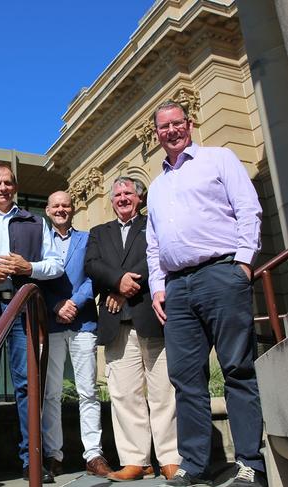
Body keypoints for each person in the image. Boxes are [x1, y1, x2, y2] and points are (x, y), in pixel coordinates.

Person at [147, 100, 265, 487]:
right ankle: (194, 463)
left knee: (238, 369)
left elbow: (248, 208)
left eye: (176, 123)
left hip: (221, 273)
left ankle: (249, 462)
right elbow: (153, 244)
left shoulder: (219, 158)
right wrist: (158, 286)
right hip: (177, 288)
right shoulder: (157, 186)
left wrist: (244, 263)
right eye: (163, 127)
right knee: (185, 378)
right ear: (157, 134)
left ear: (190, 123)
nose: (171, 131)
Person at [0, 163, 64, 485]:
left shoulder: (35, 222)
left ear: (14, 187)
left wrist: (27, 266)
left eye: (8, 182)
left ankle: (31, 461)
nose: (3, 188)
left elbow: (56, 265)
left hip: (23, 313)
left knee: (27, 386)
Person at [85, 176, 181, 481]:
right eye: (117, 194)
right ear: (111, 201)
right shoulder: (99, 233)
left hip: (151, 315)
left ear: (139, 198)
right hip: (117, 324)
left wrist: (126, 284)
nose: (122, 198)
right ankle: (136, 461)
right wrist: (116, 282)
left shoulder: (153, 224)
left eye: (128, 193)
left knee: (163, 390)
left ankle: (169, 458)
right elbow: (92, 265)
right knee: (124, 394)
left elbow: (159, 257)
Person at [40, 191, 111, 477]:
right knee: (51, 392)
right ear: (48, 210)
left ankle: (93, 455)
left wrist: (75, 303)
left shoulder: (87, 239)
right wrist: (55, 305)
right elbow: (34, 279)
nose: (61, 209)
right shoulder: (40, 241)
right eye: (55, 205)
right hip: (52, 323)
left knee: (88, 391)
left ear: (72, 209)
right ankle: (53, 454)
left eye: (66, 205)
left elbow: (94, 275)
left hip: (82, 323)